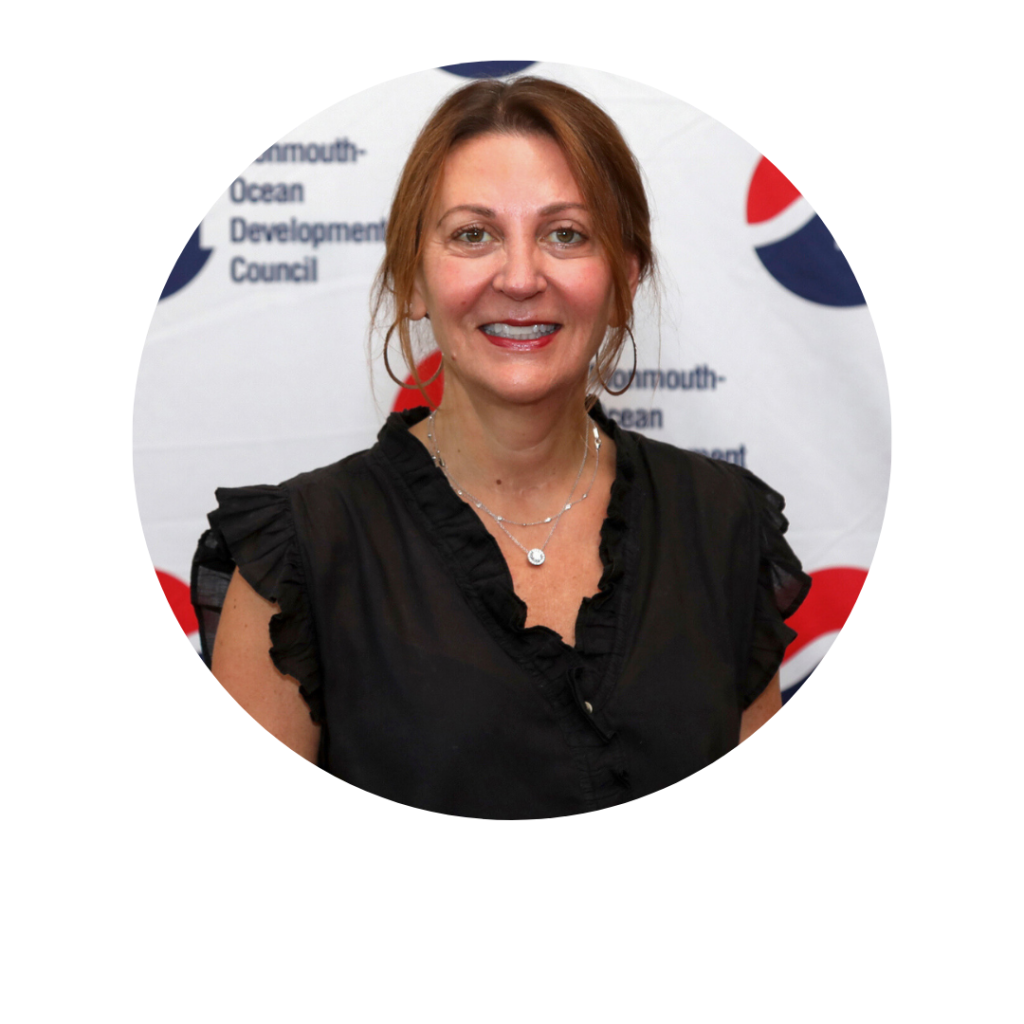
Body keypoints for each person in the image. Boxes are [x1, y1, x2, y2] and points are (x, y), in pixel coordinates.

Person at [191, 76, 810, 819]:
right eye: (472, 235)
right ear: (411, 279)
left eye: (566, 234)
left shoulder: (724, 524)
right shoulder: (297, 559)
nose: (520, 278)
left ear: (624, 278)